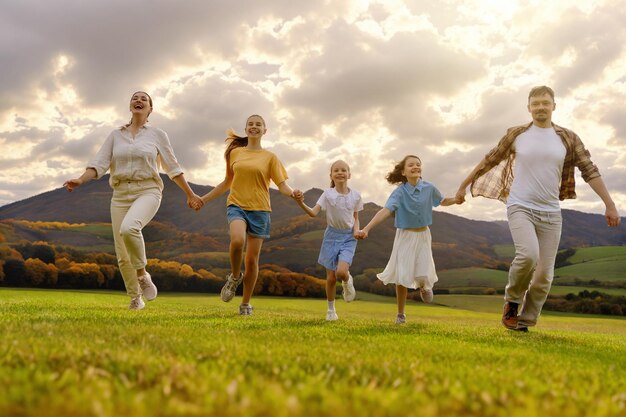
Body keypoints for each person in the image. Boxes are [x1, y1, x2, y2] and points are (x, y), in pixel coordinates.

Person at [456, 85, 621, 332]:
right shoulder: (517, 134)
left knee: (544, 274)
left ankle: (525, 319)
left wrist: (609, 204)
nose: (540, 107)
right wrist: (462, 186)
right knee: (528, 256)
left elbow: (589, 170)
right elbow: (489, 159)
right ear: (529, 107)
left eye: (545, 102)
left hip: (551, 213)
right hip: (520, 205)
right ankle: (512, 303)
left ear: (554, 105)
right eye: (536, 103)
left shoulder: (568, 138)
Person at [64, 91, 203, 310]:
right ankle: (135, 299)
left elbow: (172, 166)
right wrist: (81, 180)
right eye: (134, 98)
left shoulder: (158, 134)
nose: (138, 101)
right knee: (122, 253)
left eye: (143, 99)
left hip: (148, 189)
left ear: (150, 109)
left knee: (129, 229)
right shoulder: (115, 135)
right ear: (130, 106)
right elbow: (99, 162)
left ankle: (142, 275)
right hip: (120, 194)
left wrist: (190, 193)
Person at [198, 114, 298, 316]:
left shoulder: (270, 157)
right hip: (237, 205)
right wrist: (203, 199)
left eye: (258, 124)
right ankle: (235, 277)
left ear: (264, 130)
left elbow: (282, 186)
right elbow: (227, 182)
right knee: (236, 241)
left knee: (252, 261)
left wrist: (293, 193)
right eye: (251, 124)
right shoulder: (235, 153)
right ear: (246, 130)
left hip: (261, 210)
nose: (254, 127)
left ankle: (245, 304)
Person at [356, 155, 460, 324]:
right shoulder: (399, 193)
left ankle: (424, 286)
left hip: (424, 235)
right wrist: (366, 228)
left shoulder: (429, 188)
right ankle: (401, 314)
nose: (416, 167)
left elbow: (442, 201)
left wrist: (456, 199)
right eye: (411, 165)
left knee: (422, 270)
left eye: (418, 164)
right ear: (403, 172)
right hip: (405, 236)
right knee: (402, 275)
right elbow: (385, 211)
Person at [294, 160, 363, 321]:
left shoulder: (356, 195)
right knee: (331, 277)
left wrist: (356, 231)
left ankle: (347, 280)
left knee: (341, 272)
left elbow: (356, 218)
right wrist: (300, 202)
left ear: (349, 175)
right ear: (331, 175)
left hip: (348, 237)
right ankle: (331, 311)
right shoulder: (327, 194)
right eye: (336, 170)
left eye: (343, 170)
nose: (340, 172)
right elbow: (313, 212)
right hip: (331, 236)